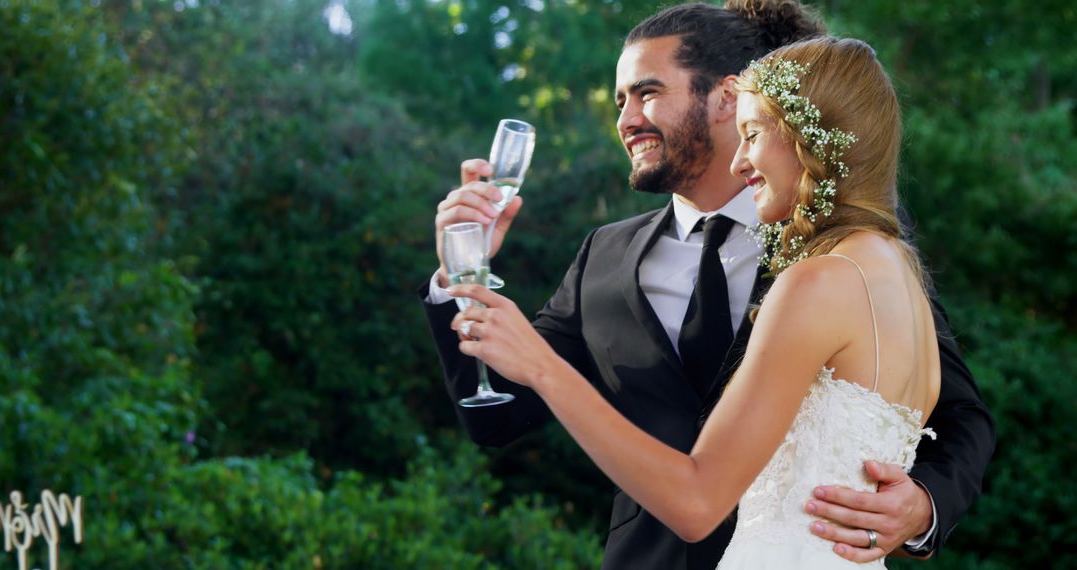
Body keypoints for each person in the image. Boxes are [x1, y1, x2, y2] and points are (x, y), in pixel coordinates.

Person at [422, 2, 994, 569]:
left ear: (725, 97)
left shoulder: (845, 256)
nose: (625, 120)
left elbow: (959, 414)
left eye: (647, 92)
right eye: (620, 101)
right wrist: (460, 271)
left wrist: (923, 508)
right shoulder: (603, 257)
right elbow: (496, 410)